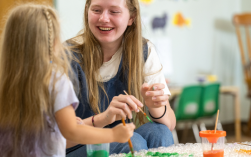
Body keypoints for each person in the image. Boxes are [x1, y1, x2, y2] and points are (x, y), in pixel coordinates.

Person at [0, 3, 135, 157]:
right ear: (52, 42)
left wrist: (61, 122)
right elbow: (71, 131)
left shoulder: (8, 82)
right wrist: (113, 135)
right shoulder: (55, 79)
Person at [65, 0, 176, 156]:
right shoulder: (67, 57)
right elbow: (51, 138)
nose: (104, 18)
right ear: (87, 11)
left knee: (160, 133)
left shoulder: (144, 51)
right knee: (133, 142)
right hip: (75, 147)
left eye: (114, 11)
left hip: (122, 138)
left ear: (131, 17)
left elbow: (170, 124)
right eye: (96, 10)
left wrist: (155, 106)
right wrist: (104, 118)